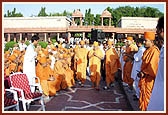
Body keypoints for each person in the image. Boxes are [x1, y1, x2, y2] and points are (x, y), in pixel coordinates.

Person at [137, 32, 160, 111]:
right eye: (144, 40)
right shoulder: (147, 51)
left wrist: (144, 73)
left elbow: (153, 67)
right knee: (142, 99)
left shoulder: (155, 51)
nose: (144, 42)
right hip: (144, 79)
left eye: (146, 41)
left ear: (152, 42)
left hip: (150, 80)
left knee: (148, 100)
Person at [147, 16, 164, 111]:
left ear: (161, 30)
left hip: (160, 92)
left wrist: (146, 73)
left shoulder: (156, 50)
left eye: (157, 29)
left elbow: (153, 67)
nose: (156, 32)